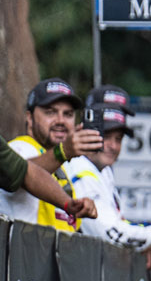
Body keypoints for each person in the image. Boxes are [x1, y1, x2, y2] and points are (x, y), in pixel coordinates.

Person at [59, 105, 151, 270]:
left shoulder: (100, 170)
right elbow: (111, 234)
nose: (112, 145)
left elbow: (116, 222)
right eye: (106, 137)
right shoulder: (79, 169)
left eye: (118, 139)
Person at [4, 79, 101, 230]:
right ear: (29, 118)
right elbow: (21, 174)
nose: (60, 121)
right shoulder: (21, 147)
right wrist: (64, 151)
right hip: (21, 252)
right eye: (50, 112)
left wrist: (79, 205)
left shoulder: (66, 164)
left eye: (68, 114)